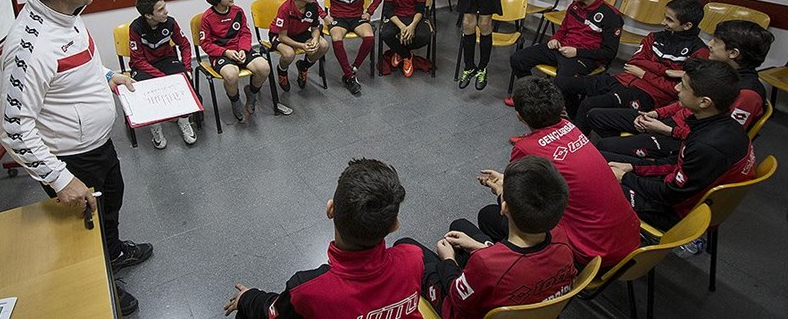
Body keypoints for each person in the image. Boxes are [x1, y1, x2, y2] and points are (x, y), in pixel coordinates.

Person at [0, 0, 152, 316]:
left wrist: (107, 77)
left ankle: (113, 253)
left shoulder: (69, 15)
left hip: (98, 144)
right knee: (83, 228)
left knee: (110, 202)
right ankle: (99, 283)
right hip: (70, 159)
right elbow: (14, 129)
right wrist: (60, 178)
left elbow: (76, 68)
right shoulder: (28, 48)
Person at [223, 158, 430, 319]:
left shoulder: (307, 289)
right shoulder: (413, 257)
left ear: (330, 209)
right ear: (394, 225)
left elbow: (273, 312)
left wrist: (247, 298)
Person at [480, 78, 640, 268]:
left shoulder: (526, 148)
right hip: (631, 240)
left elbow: (521, 205)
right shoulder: (571, 127)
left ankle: (522, 269)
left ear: (519, 116)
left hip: (594, 256)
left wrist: (501, 191)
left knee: (489, 216)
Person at [605, 59, 757, 231]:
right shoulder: (722, 125)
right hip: (681, 191)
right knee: (602, 159)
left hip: (675, 212)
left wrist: (625, 178)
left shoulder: (707, 145)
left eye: (683, 86)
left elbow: (670, 194)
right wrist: (633, 168)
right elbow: (678, 163)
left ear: (704, 102)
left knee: (600, 185)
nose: (677, 88)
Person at [590, 20, 774, 158]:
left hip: (682, 140)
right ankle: (629, 150)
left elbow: (721, 139)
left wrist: (667, 131)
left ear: (733, 53)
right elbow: (684, 103)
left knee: (604, 147)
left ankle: (639, 159)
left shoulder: (747, 94)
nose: (709, 44)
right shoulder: (718, 71)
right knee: (595, 115)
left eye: (716, 41)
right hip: (671, 123)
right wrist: (657, 114)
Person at [431, 156, 575, 319]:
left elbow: (458, 299)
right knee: (461, 224)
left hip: (466, 309)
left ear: (504, 207)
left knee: (413, 252)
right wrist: (479, 247)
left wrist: (448, 260)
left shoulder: (485, 263)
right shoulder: (561, 236)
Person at [556, 0, 708, 134]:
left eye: (669, 20)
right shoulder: (655, 36)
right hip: (624, 78)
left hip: (648, 95)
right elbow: (634, 62)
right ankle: (576, 121)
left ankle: (576, 141)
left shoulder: (699, 52)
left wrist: (644, 74)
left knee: (590, 105)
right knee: (563, 83)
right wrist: (667, 72)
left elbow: (676, 89)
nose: (663, 23)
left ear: (687, 25)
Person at [505, 0, 622, 106]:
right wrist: (555, 39)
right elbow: (563, 29)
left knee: (563, 83)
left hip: (584, 57)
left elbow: (609, 53)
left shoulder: (611, 16)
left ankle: (567, 114)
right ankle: (534, 97)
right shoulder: (574, 6)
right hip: (562, 48)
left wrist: (577, 52)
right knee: (518, 59)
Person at [129, 0, 196, 149]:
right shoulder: (136, 28)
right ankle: (156, 127)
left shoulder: (170, 22)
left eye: (164, 7)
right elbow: (138, 59)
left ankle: (183, 120)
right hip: (144, 65)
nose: (166, 11)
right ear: (148, 15)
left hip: (167, 60)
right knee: (146, 90)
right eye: (160, 10)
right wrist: (161, 77)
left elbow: (185, 45)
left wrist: (187, 67)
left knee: (184, 82)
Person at [200, 0, 271, 122]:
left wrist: (243, 50)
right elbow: (206, 44)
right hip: (221, 54)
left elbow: (245, 32)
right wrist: (225, 52)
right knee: (231, 75)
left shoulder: (238, 11)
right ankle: (235, 101)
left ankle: (251, 93)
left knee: (264, 68)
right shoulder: (207, 18)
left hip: (241, 50)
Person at [315, 0, 384, 94]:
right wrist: (324, 16)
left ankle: (353, 69)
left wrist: (370, 12)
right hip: (339, 19)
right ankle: (350, 77)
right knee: (336, 39)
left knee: (369, 37)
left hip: (357, 18)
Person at [269, 0, 330, 92]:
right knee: (288, 54)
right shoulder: (285, 9)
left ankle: (303, 66)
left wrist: (315, 40)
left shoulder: (313, 5)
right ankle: (282, 71)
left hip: (300, 33)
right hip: (279, 35)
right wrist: (302, 46)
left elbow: (315, 28)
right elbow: (282, 37)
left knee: (323, 46)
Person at [380, 0, 431, 78]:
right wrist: (402, 27)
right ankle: (406, 55)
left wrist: (412, 26)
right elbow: (388, 10)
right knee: (386, 34)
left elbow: (420, 10)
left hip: (414, 17)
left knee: (424, 36)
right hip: (396, 17)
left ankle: (399, 51)